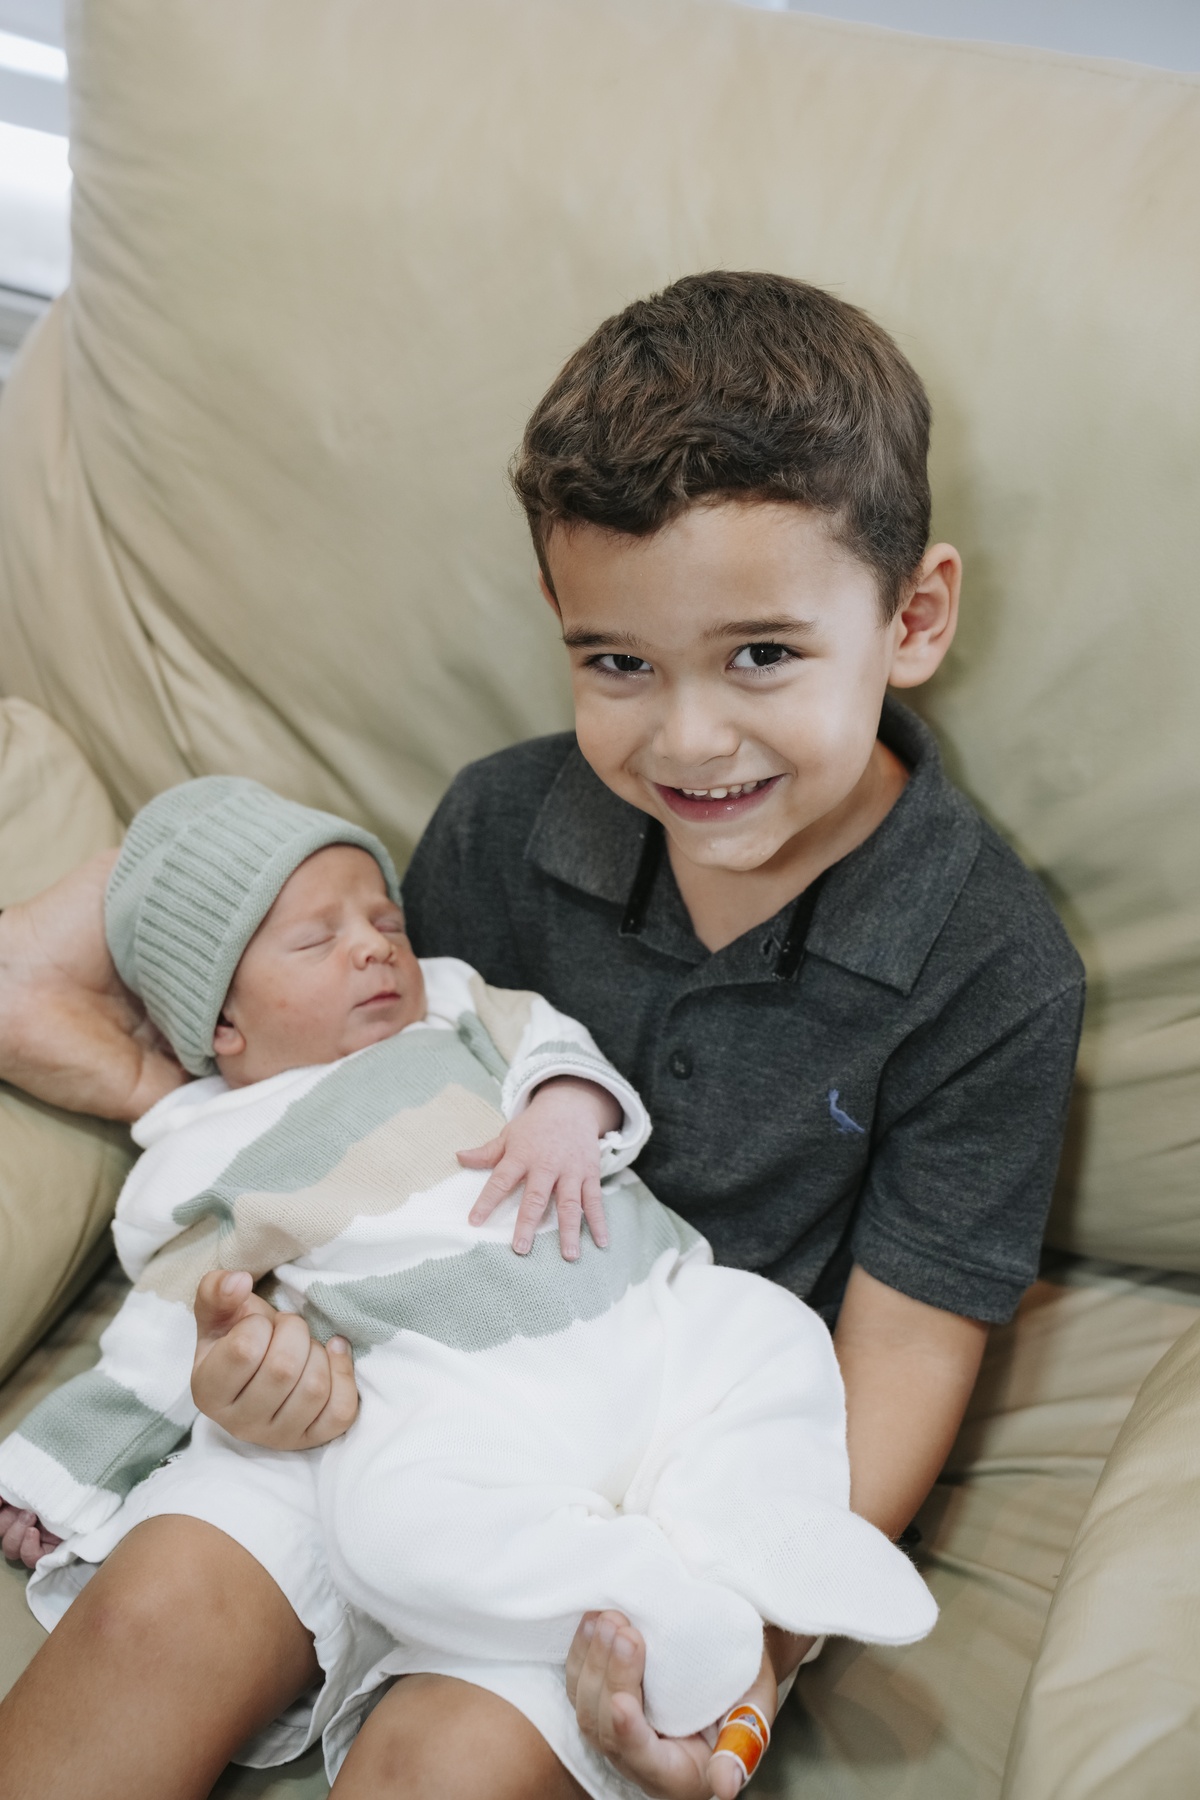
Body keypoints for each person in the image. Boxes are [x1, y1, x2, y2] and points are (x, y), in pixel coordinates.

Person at [0, 271, 1085, 1800]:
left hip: (633, 1473)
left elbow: (900, 1351)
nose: (687, 740)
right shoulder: (505, 824)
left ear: (912, 619)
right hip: (384, 1372)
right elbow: (345, 1098)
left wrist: (759, 1660)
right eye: (617, 662)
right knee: (154, 1614)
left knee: (446, 1765)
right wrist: (244, 1377)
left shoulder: (989, 964)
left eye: (762, 655)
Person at [1, 775, 935, 1798]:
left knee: (774, 1332)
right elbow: (157, 1340)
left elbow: (553, 1047)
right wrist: (57, 1480)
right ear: (221, 1022)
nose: (374, 947)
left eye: (385, 921)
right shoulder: (200, 1151)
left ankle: (775, 1554)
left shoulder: (451, 1002)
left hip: (643, 1315)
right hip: (440, 1405)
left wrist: (565, 1110)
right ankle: (651, 1602)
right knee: (387, 1529)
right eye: (317, 940)